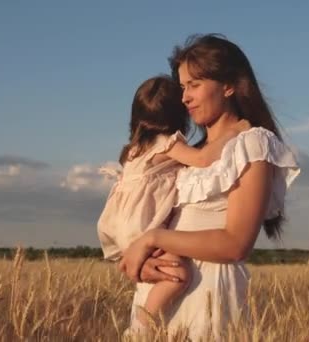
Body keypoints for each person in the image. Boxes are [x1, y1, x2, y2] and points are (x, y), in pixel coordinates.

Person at [119, 34, 301, 340]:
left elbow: (235, 244)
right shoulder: (188, 154)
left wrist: (153, 238)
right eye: (182, 87)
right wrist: (141, 262)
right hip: (161, 294)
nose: (184, 97)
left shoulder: (252, 144)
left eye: (194, 85)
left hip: (208, 293)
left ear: (228, 85)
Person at [97, 75, 250, 332]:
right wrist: (234, 132)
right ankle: (141, 328)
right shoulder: (166, 143)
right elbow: (202, 159)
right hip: (143, 224)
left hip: (120, 223)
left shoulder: (133, 149)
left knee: (158, 272)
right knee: (178, 275)